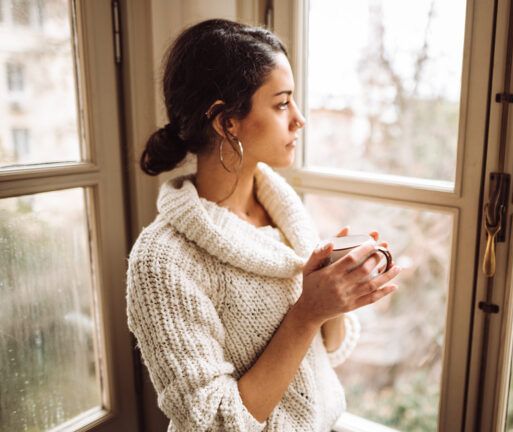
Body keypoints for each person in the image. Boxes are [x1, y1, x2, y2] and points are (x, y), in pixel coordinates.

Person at [126, 19, 401, 431]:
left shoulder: (284, 213)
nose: (300, 118)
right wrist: (307, 313)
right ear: (226, 122)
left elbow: (324, 356)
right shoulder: (163, 262)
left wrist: (336, 299)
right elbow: (215, 422)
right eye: (281, 103)